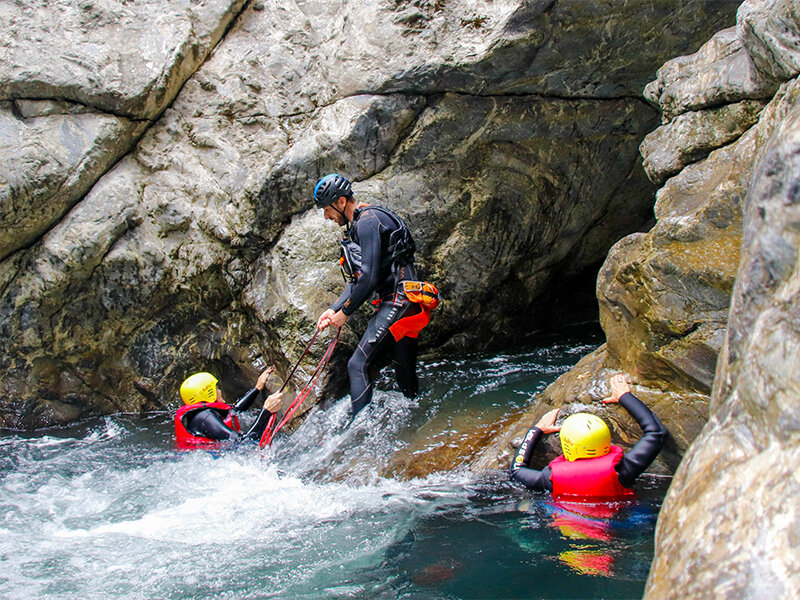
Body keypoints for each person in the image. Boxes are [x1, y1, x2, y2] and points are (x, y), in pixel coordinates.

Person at [313, 173, 432, 417]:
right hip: (407, 302)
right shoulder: (366, 221)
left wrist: (345, 313)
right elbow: (360, 278)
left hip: (398, 301)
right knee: (404, 367)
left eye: (326, 209)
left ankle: (358, 433)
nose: (326, 216)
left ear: (341, 202)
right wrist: (333, 308)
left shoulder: (367, 222)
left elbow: (368, 278)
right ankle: (417, 417)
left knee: (357, 364)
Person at [509, 374, 668, 498]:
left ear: (568, 445)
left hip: (571, 528)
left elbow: (516, 471)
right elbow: (657, 432)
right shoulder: (624, 470)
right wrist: (624, 396)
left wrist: (536, 430)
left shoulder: (549, 478)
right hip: (619, 522)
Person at [174, 368, 284, 449]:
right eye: (216, 388)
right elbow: (246, 444)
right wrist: (266, 411)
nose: (220, 391)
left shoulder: (201, 415)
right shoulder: (206, 418)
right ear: (209, 393)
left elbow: (234, 410)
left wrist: (257, 387)